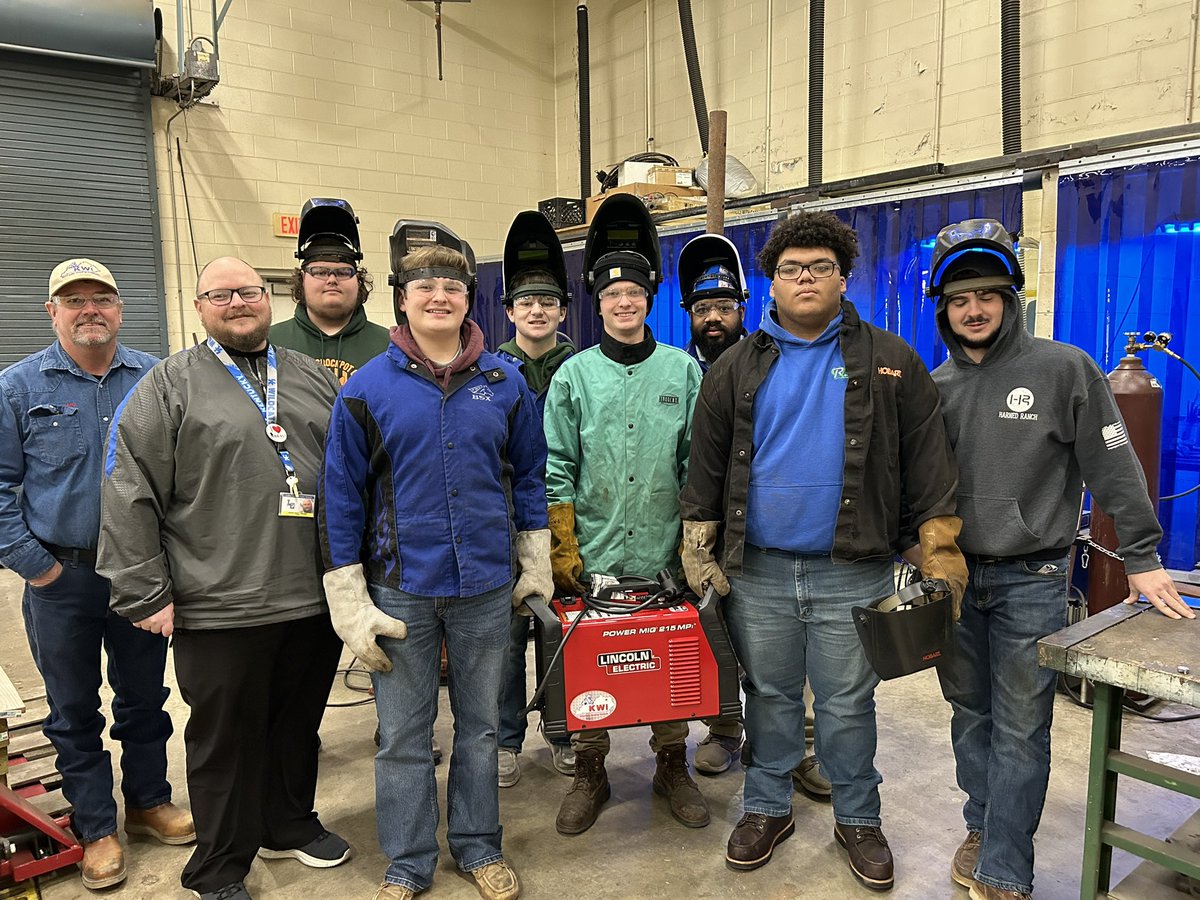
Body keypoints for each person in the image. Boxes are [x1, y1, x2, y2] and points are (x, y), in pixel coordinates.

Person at [679, 210, 967, 891]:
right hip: (761, 571)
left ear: (843, 277)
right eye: (790, 269)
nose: (805, 279)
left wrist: (940, 548)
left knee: (846, 703)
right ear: (772, 284)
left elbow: (931, 465)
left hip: (853, 569)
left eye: (820, 268)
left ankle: (858, 818)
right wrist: (698, 541)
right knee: (771, 695)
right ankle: (768, 807)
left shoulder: (893, 361)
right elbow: (707, 466)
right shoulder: (733, 369)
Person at [922, 219, 1195, 900]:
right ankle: (984, 822)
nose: (974, 309)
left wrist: (1142, 556)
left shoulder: (1062, 369)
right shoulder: (935, 386)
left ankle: (1006, 866)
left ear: (1011, 298)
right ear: (943, 309)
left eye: (988, 293)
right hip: (955, 580)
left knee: (1021, 725)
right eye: (960, 298)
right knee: (969, 715)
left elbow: (1113, 462)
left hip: (1032, 580)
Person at [98, 257, 348, 900]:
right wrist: (144, 590)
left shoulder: (310, 376)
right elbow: (129, 493)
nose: (239, 302)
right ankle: (219, 862)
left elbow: (349, 472)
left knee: (297, 723)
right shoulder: (168, 385)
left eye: (250, 291)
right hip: (218, 601)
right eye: (222, 294)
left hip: (310, 594)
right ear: (200, 304)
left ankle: (288, 821)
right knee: (224, 739)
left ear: (269, 298)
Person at [321, 222, 549, 900]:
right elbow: (341, 497)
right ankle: (409, 862)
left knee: (480, 729)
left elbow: (531, 477)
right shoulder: (366, 388)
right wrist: (351, 601)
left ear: (468, 301)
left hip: (485, 588)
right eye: (425, 286)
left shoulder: (505, 383)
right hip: (402, 593)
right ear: (401, 299)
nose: (440, 296)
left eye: (453, 287)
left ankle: (479, 847)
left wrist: (533, 564)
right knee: (403, 737)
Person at [0, 258, 192, 891]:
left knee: (145, 700)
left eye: (101, 298)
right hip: (64, 579)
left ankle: (147, 804)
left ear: (120, 307)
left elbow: (183, 474)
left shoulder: (157, 378)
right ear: (51, 312)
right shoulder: (18, 388)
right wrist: (39, 567)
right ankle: (97, 827)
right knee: (72, 709)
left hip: (140, 575)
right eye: (73, 300)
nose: (90, 310)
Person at [544, 193, 707, 836]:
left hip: (665, 552)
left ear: (650, 297)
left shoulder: (682, 371)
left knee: (667, 661)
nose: (624, 302)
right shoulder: (572, 377)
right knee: (594, 664)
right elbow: (556, 463)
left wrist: (697, 542)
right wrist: (563, 544)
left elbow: (698, 462)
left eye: (635, 292)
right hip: (596, 551)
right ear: (598, 302)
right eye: (612, 295)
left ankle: (672, 761)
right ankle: (591, 768)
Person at [494, 210, 577, 787]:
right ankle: (504, 742)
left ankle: (564, 731)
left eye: (548, 301)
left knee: (561, 631)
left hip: (567, 521)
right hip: (503, 522)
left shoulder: (583, 368)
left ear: (564, 310)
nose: (538, 311)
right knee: (503, 643)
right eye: (526, 302)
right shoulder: (489, 371)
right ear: (509, 311)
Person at [270, 197, 390, 384]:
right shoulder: (271, 343)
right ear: (302, 278)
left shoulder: (389, 346)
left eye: (343, 272)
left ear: (358, 280)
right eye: (320, 272)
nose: (332, 280)